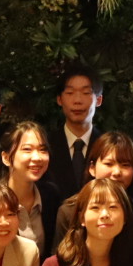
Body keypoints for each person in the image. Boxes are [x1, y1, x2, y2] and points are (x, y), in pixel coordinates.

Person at [50, 131, 133, 249]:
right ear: (92, 168)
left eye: (125, 165)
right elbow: (61, 256)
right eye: (108, 164)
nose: (117, 172)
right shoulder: (70, 211)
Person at [0, 120, 61, 261]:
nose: (37, 157)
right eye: (27, 149)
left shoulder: (50, 195)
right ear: (6, 158)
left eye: (42, 150)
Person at [44, 62, 104, 196]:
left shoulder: (108, 146)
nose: (77, 100)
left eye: (86, 93)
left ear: (98, 100)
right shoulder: (45, 145)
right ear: (59, 99)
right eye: (70, 93)